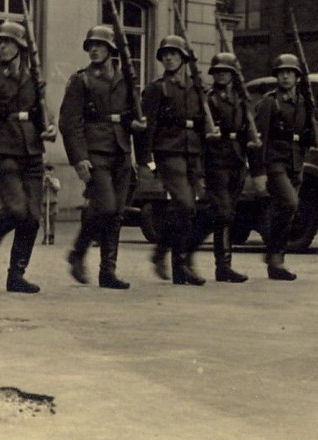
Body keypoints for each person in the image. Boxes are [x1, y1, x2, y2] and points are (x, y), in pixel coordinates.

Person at [58, 25, 142, 290]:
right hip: (95, 151)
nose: (94, 49)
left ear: (111, 50)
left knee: (116, 212)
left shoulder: (126, 78)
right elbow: (69, 123)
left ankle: (108, 271)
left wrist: (136, 126)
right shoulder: (81, 80)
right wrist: (79, 158)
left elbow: (131, 116)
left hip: (121, 150)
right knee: (105, 206)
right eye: (91, 45)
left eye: (100, 45)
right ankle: (78, 252)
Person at [0, 21, 50, 294]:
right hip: (1, 147)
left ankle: (16, 275)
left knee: (33, 217)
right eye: (0, 42)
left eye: (9, 42)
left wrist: (47, 128)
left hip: (32, 149)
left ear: (20, 47)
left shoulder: (33, 78)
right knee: (17, 209)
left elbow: (41, 114)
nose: (3, 46)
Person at [139, 34, 208, 286]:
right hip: (168, 151)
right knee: (185, 204)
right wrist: (146, 160)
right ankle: (178, 262)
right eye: (165, 54)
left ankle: (166, 257)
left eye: (174, 54)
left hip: (192, 153)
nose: (169, 58)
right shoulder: (158, 88)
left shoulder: (195, 88)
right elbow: (148, 126)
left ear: (183, 59)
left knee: (189, 209)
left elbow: (203, 122)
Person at [251, 53, 315, 281]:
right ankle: (274, 254)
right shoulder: (270, 102)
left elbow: (308, 135)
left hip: (295, 162)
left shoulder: (304, 102)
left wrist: (317, 132)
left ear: (297, 77)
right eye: (282, 72)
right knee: (290, 203)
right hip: (275, 162)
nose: (286, 76)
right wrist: (258, 172)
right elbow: (259, 139)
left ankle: (275, 261)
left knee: (287, 212)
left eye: (290, 72)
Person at [202, 52, 254, 282]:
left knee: (227, 212)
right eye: (217, 72)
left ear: (233, 75)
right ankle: (222, 265)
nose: (221, 75)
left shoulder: (241, 100)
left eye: (225, 71)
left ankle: (224, 266)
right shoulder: (208, 99)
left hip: (236, 158)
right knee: (222, 211)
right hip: (215, 158)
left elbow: (247, 130)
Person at [41, 164, 60, 245]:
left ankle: (52, 236)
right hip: (44, 203)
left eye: (50, 170)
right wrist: (45, 183)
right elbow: (40, 189)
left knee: (52, 221)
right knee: (45, 221)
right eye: (47, 170)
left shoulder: (55, 180)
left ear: (53, 171)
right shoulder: (42, 180)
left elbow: (57, 188)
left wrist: (51, 182)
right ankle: (46, 236)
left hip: (53, 203)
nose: (48, 172)